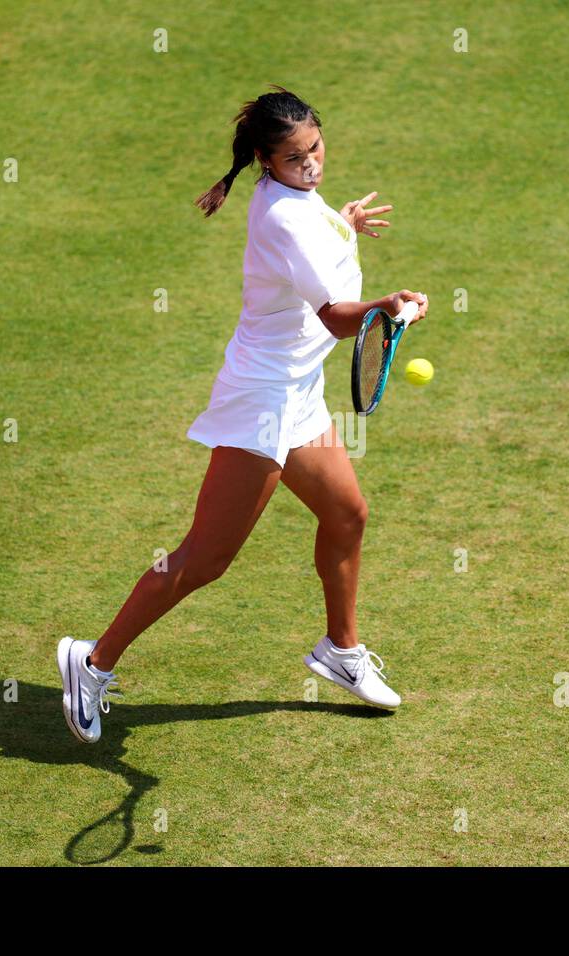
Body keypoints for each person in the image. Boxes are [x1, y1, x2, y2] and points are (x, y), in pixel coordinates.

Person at [58, 85, 428, 743]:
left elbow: (314, 240)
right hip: (261, 401)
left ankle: (340, 652)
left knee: (347, 513)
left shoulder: (297, 205)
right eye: (294, 157)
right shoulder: (283, 217)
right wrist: (390, 308)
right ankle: (90, 662)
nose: (310, 163)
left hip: (297, 394)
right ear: (265, 159)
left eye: (315, 147)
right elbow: (339, 319)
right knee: (205, 558)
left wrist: (342, 222)